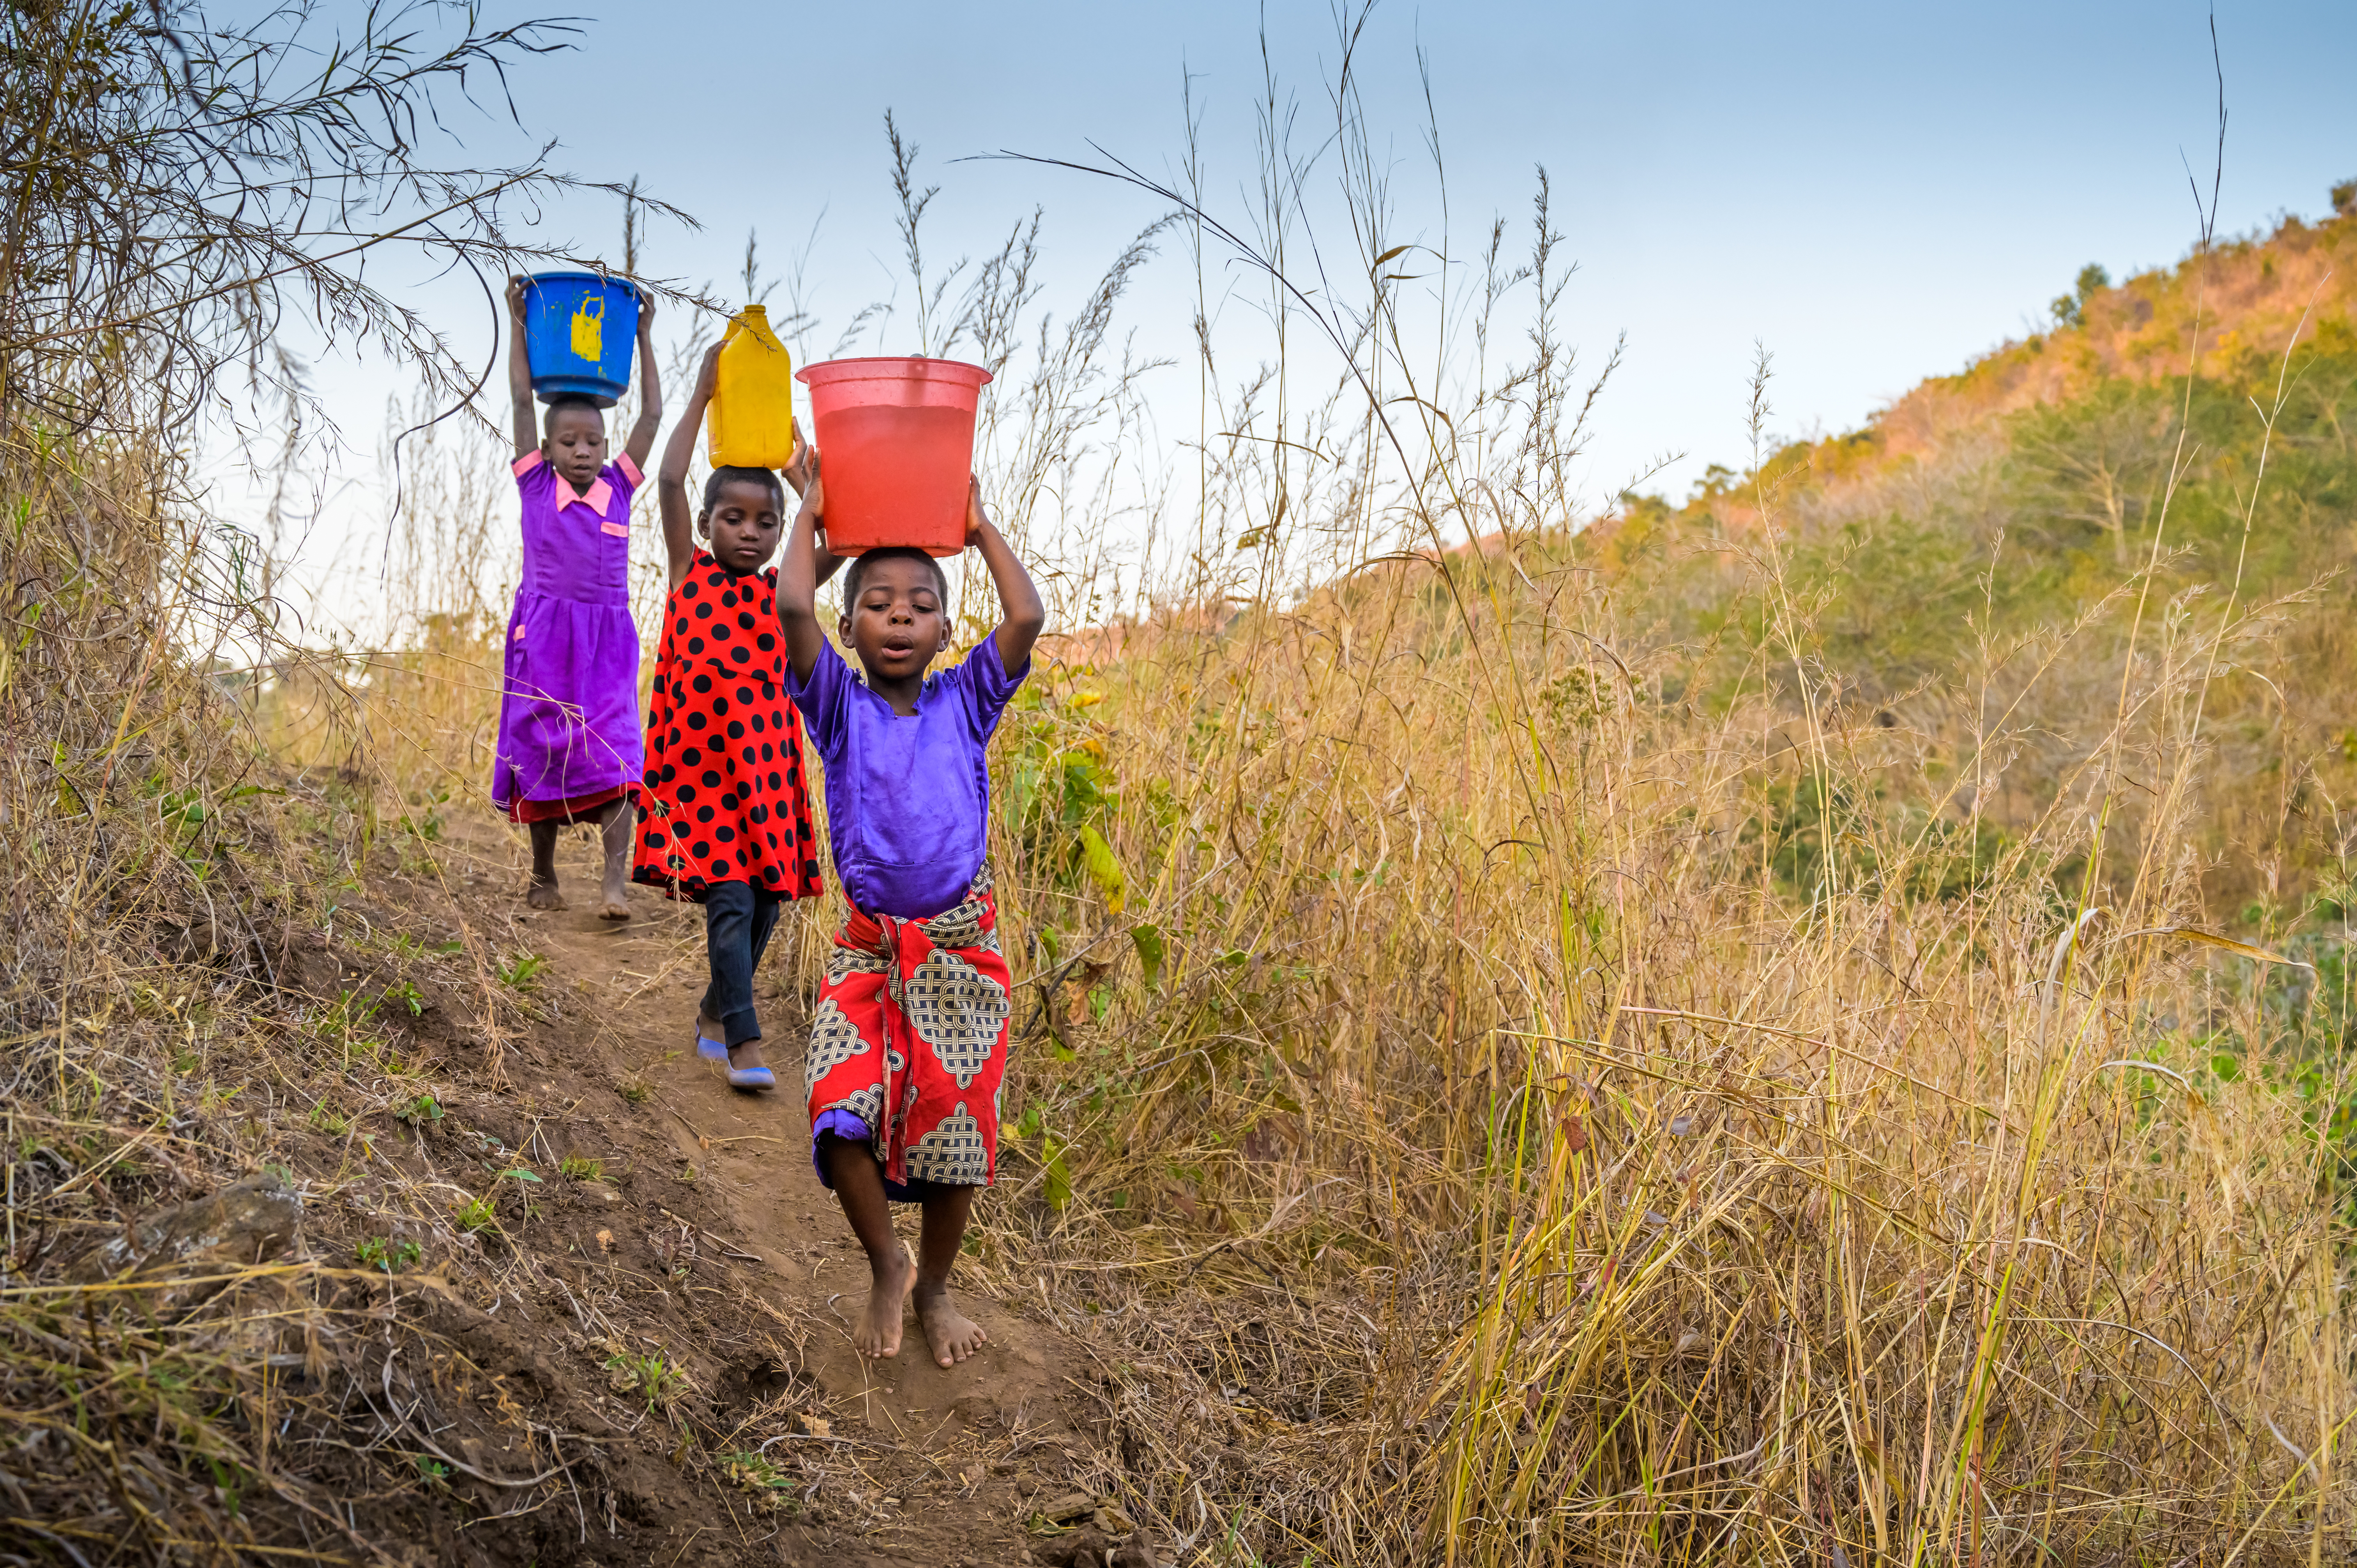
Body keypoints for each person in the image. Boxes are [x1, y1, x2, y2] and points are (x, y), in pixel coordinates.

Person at [777, 468, 1044, 1368]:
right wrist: (819, 518)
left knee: (955, 1133)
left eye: (921, 604)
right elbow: (789, 607)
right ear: (850, 627)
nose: (899, 615)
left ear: (942, 629)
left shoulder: (968, 698)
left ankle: (934, 1282)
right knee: (836, 1107)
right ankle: (885, 1261)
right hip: (867, 948)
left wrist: (974, 523)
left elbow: (1027, 618)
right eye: (879, 603)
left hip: (961, 950)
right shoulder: (838, 706)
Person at [633, 343, 843, 1089]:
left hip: (768, 767)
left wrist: (804, 480)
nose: (749, 532)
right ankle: (747, 1043)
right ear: (709, 521)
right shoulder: (689, 572)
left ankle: (715, 1013)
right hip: (703, 774)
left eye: (765, 522)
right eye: (733, 518)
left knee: (769, 901)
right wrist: (701, 395)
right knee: (729, 896)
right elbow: (665, 475)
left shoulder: (784, 591)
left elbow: (836, 544)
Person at [493, 276, 659, 919]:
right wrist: (517, 324)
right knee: (543, 747)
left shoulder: (619, 488)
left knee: (619, 751)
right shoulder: (535, 485)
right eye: (569, 443)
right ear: (549, 448)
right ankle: (544, 874)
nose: (583, 452)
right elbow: (516, 397)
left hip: (608, 642)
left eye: (592, 441)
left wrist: (643, 335)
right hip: (544, 638)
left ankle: (614, 880)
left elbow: (650, 417)